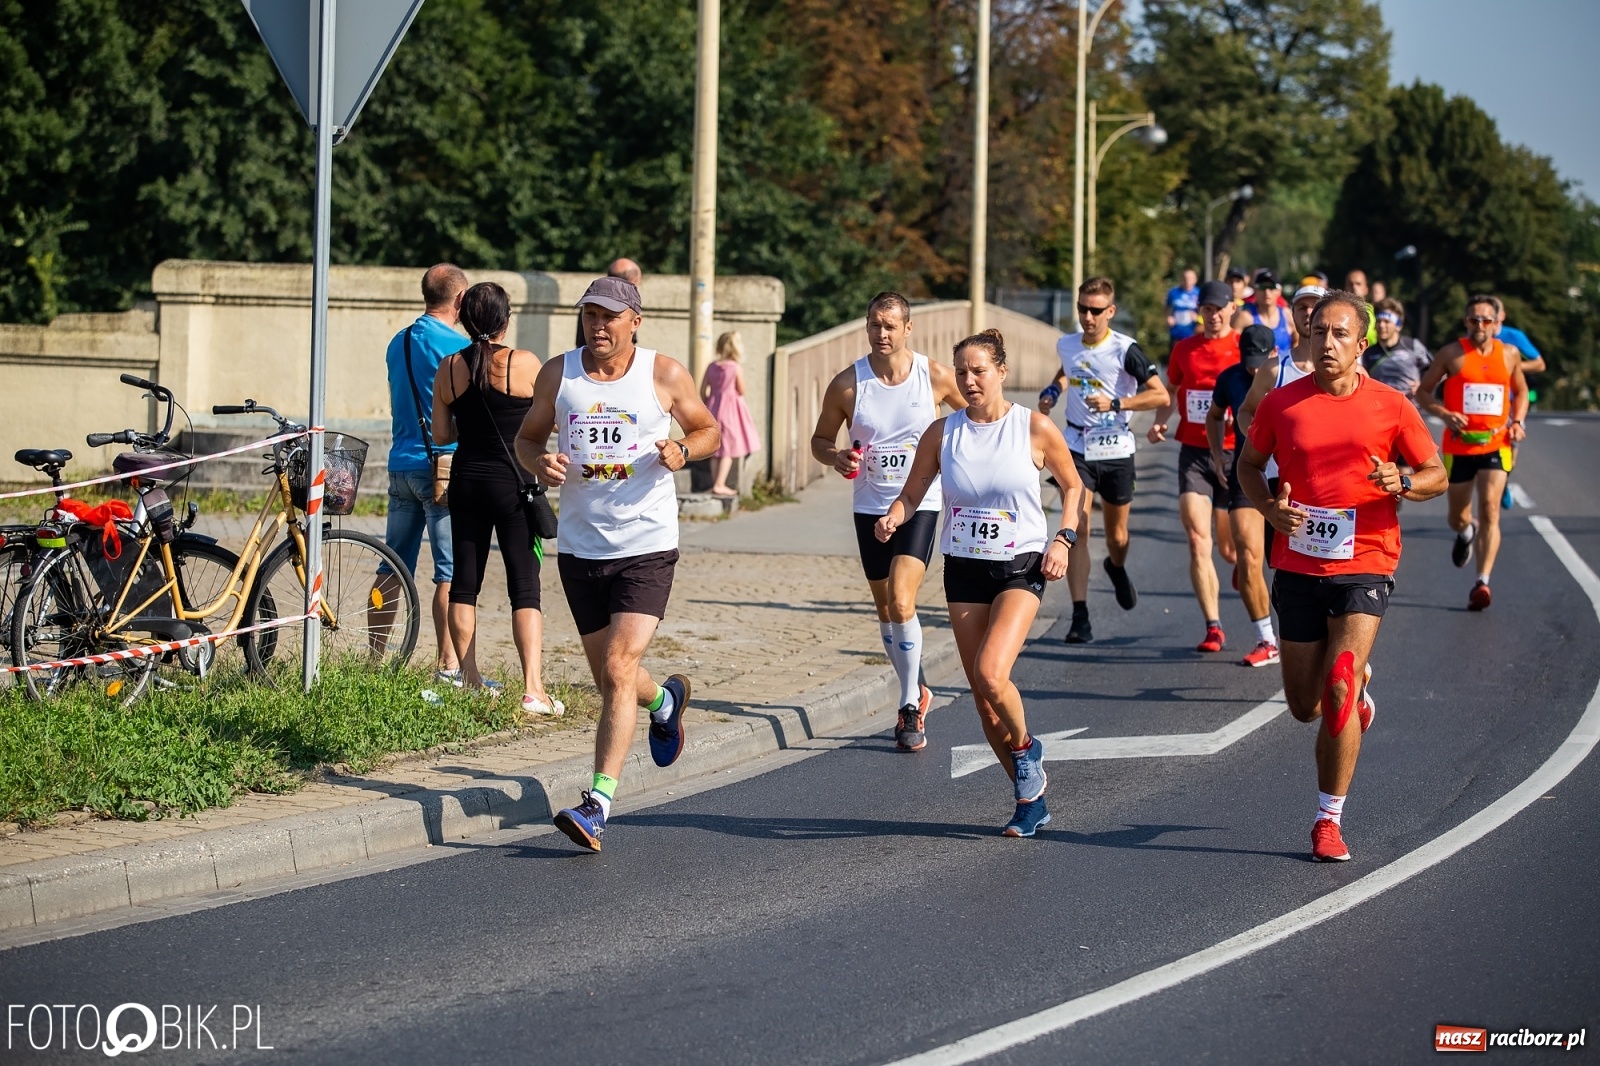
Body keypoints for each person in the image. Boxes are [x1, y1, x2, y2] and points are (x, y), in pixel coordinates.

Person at [1237, 290, 1447, 863]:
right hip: (1297, 564)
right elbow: (1249, 466)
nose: (1326, 343)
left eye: (1339, 334)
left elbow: (1436, 473)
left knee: (1338, 685)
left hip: (1366, 561)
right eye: (1319, 332)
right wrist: (1270, 511)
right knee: (1304, 706)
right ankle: (1355, 700)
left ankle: (1327, 820)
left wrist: (1403, 481)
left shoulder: (1392, 406)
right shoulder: (1282, 404)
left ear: (1362, 344)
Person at [516, 276, 721, 851]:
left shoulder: (664, 373)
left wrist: (684, 449)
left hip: (646, 545)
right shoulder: (558, 375)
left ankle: (597, 805)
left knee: (617, 665)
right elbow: (527, 440)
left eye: (609, 316)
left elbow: (709, 429)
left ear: (635, 321)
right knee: (615, 679)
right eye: (590, 316)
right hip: (581, 547)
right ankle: (665, 703)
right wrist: (539, 462)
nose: (598, 326)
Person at [876, 329, 1083, 837]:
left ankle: (1027, 747)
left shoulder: (1032, 427)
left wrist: (1064, 539)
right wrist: (895, 516)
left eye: (979, 371)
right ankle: (1029, 799)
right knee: (984, 701)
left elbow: (1074, 486)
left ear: (1001, 372)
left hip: (1021, 566)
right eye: (962, 372)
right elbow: (913, 492)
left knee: (991, 673)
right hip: (964, 568)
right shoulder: (942, 433)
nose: (969, 381)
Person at [810, 293, 965, 751]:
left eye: (890, 325)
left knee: (901, 599)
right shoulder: (848, 385)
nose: (882, 333)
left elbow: (975, 419)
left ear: (908, 328)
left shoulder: (934, 376)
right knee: (885, 609)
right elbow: (820, 440)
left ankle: (909, 704)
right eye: (875, 324)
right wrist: (836, 456)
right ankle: (917, 687)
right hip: (869, 506)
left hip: (920, 503)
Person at [432, 282, 562, 715]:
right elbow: (554, 419)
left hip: (466, 481)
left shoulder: (449, 367)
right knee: (524, 585)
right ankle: (533, 689)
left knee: (464, 582)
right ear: (506, 320)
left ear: (465, 320)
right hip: (514, 484)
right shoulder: (524, 363)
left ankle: (469, 678)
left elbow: (442, 434)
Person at [1038, 276, 1169, 644]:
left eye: (1096, 311)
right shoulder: (1066, 344)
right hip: (1076, 447)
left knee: (1117, 536)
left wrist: (1117, 402)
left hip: (1115, 449)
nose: (1088, 317)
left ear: (1110, 311)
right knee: (1078, 528)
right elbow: (1068, 371)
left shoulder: (1126, 349)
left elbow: (1160, 396)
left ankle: (1116, 565)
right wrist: (1053, 390)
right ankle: (1080, 615)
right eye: (1083, 309)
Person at [1413, 295, 1529, 611]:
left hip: (1497, 443)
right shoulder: (1451, 354)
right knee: (1457, 516)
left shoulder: (1509, 354)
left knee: (1491, 508)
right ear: (1466, 322)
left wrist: (1517, 421)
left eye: (1486, 320)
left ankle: (1482, 582)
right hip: (1459, 444)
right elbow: (1423, 392)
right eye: (1474, 319)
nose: (1480, 325)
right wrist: (1445, 414)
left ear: (1496, 323)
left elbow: (1520, 391)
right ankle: (1466, 530)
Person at [379, 262, 465, 683]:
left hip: (400, 463)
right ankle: (448, 664)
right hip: (441, 469)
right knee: (449, 571)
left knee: (391, 566)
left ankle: (375, 657)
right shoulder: (459, 346)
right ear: (460, 299)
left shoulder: (397, 342)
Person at [1149, 280, 1242, 653]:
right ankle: (1213, 626)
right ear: (1199, 311)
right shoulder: (1184, 349)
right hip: (1194, 452)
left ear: (1232, 308)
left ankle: (1241, 562)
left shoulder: (1243, 348)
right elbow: (1171, 390)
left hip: (1235, 454)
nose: (1214, 315)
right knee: (1197, 540)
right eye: (1207, 309)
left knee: (1229, 550)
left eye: (1219, 309)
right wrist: (1160, 421)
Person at [1206, 324, 1280, 667]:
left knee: (1282, 566)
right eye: (1248, 362)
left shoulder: (1288, 376)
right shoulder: (1230, 378)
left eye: (1259, 362)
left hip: (1289, 477)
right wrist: (1217, 453)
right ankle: (1267, 639)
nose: (1253, 370)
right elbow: (1214, 415)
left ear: (1273, 355)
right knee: (1248, 555)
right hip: (1248, 472)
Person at [700, 331, 761, 498]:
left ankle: (715, 483)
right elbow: (742, 390)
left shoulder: (711, 366)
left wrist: (711, 402)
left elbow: (703, 391)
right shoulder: (735, 367)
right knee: (728, 449)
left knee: (716, 449)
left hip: (713, 409)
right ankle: (719, 484)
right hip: (730, 411)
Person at [1363, 298, 1432, 400]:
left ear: (1398, 325)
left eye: (1387, 321)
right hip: (1381, 406)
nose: (1381, 325)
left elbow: (1434, 372)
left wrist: (1422, 384)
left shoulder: (1412, 346)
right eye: (1379, 321)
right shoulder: (1368, 353)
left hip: (1411, 406)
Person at [574, 258, 644, 348]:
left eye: (609, 316)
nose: (598, 326)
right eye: (590, 314)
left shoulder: (589, 303)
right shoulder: (627, 308)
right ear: (632, 282)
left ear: (635, 323)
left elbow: (579, 345)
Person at [1242, 270, 1295, 356]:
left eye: (1271, 287)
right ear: (1255, 290)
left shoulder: (1288, 315)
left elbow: (1298, 344)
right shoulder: (1246, 317)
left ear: (1279, 291)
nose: (1267, 292)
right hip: (1257, 364)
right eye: (1262, 287)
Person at [1165, 268, 1200, 347]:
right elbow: (1167, 307)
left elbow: (1205, 311)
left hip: (1193, 332)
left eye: (1190, 278)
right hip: (1176, 332)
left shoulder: (1199, 293)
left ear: (1195, 280)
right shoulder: (1173, 292)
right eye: (1185, 278)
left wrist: (1198, 318)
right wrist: (1168, 317)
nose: (1187, 281)